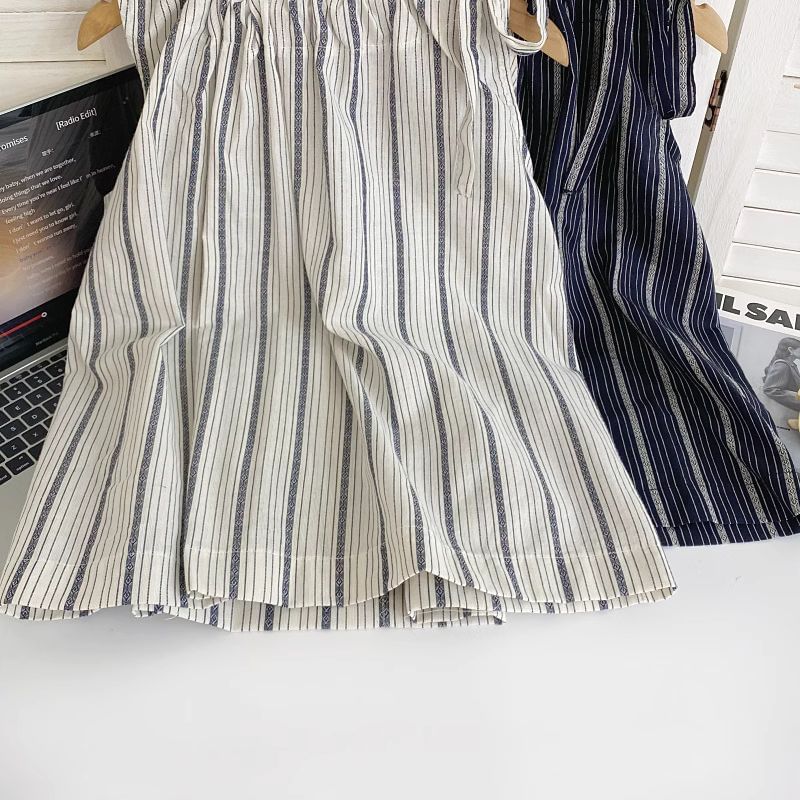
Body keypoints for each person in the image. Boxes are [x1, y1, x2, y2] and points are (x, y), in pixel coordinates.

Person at [763, 337, 800, 412]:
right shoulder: (782, 365)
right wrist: (797, 397)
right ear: (791, 350)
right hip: (783, 412)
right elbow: (770, 390)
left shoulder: (791, 365)